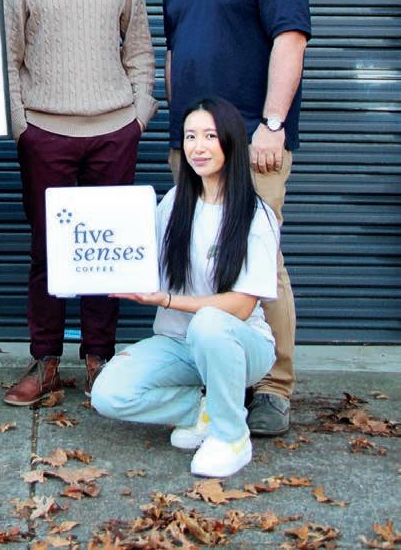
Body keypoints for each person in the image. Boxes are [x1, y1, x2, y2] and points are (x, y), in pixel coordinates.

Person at [163, 0, 310, 436]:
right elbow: (175, 55)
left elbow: (289, 39)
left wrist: (271, 124)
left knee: (261, 264)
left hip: (252, 142)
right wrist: (179, 135)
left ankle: (274, 386)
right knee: (200, 256)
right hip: (192, 149)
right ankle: (223, 374)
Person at [2, 0, 157, 406]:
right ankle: (45, 361)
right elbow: (8, 58)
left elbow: (139, 49)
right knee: (48, 251)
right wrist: (21, 127)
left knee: (108, 253)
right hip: (45, 131)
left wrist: (140, 115)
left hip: (114, 129)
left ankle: (99, 361)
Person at [92, 97, 278, 479]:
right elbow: (134, 251)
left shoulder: (255, 215)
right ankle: (203, 410)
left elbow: (241, 307)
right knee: (108, 393)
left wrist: (167, 300)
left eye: (210, 136)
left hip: (240, 346)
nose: (198, 146)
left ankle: (231, 437)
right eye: (190, 136)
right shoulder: (176, 201)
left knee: (209, 322)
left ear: (230, 141)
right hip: (178, 344)